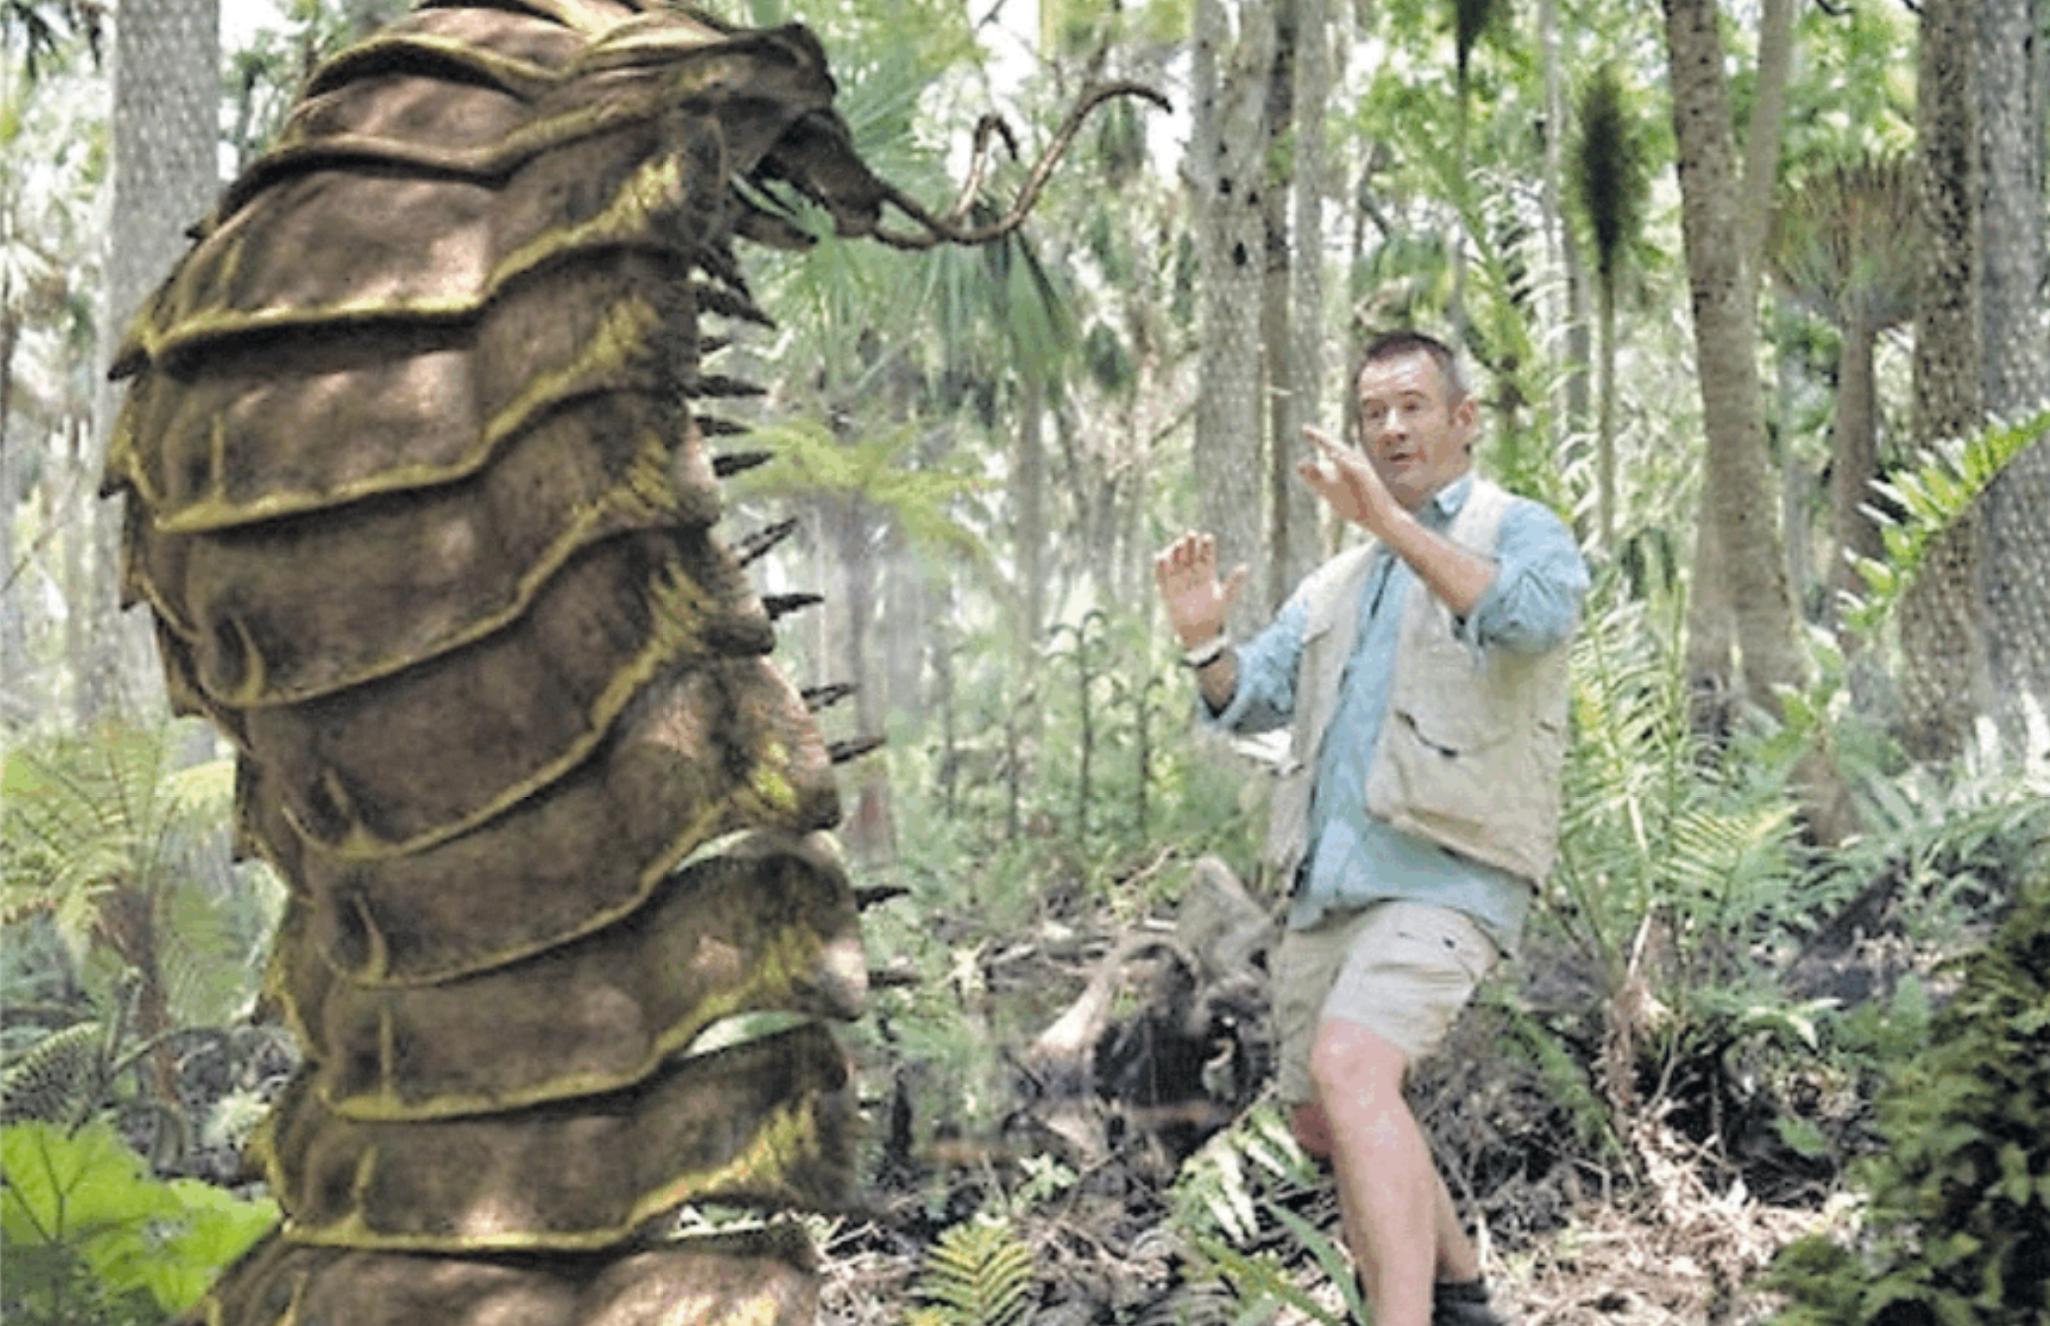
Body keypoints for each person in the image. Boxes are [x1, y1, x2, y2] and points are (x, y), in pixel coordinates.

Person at [1153, 331, 1588, 1326]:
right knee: (1318, 1116)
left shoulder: (1518, 529)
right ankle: (1461, 1290)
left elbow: (1529, 622)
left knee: (1353, 1072)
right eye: (1371, 414)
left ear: (1463, 419)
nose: (1389, 428)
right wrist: (1201, 642)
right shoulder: (1338, 583)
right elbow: (1247, 697)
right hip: (1329, 885)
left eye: (1411, 407)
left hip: (1447, 872)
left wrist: (1391, 524)